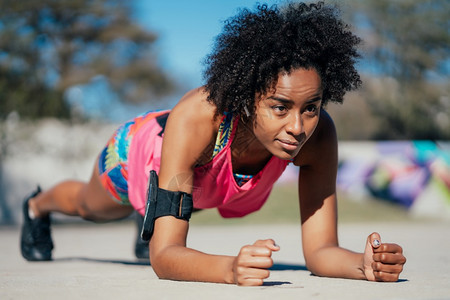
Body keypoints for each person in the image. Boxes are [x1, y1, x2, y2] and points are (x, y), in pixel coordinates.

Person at [20, 2, 406, 286]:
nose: (297, 127)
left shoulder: (318, 135)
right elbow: (165, 257)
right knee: (92, 206)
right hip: (136, 152)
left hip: (199, 185)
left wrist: (363, 265)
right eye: (279, 107)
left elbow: (321, 251)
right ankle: (37, 206)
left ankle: (161, 212)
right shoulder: (198, 118)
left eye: (311, 108)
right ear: (246, 96)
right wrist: (229, 269)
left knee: (184, 203)